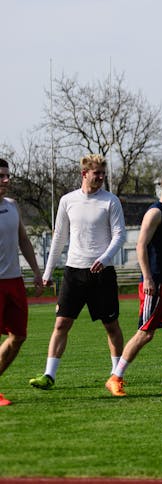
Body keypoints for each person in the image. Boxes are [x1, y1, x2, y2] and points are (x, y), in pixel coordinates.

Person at [30, 154, 127, 391]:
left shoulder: (110, 201)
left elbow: (120, 235)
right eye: (97, 173)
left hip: (102, 274)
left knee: (111, 325)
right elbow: (59, 237)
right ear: (85, 174)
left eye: (103, 173)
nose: (102, 177)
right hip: (74, 272)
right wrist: (48, 271)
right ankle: (48, 375)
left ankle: (116, 376)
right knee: (61, 323)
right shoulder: (67, 200)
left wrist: (104, 259)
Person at [105, 169, 162, 397]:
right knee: (145, 333)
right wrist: (147, 277)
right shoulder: (155, 213)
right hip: (155, 284)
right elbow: (141, 245)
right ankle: (115, 377)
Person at [0, 159, 44, 406]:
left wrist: (36, 271)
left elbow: (24, 241)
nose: (6, 180)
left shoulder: (12, 206)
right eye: (1, 176)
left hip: (14, 281)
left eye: (7, 176)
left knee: (18, 337)